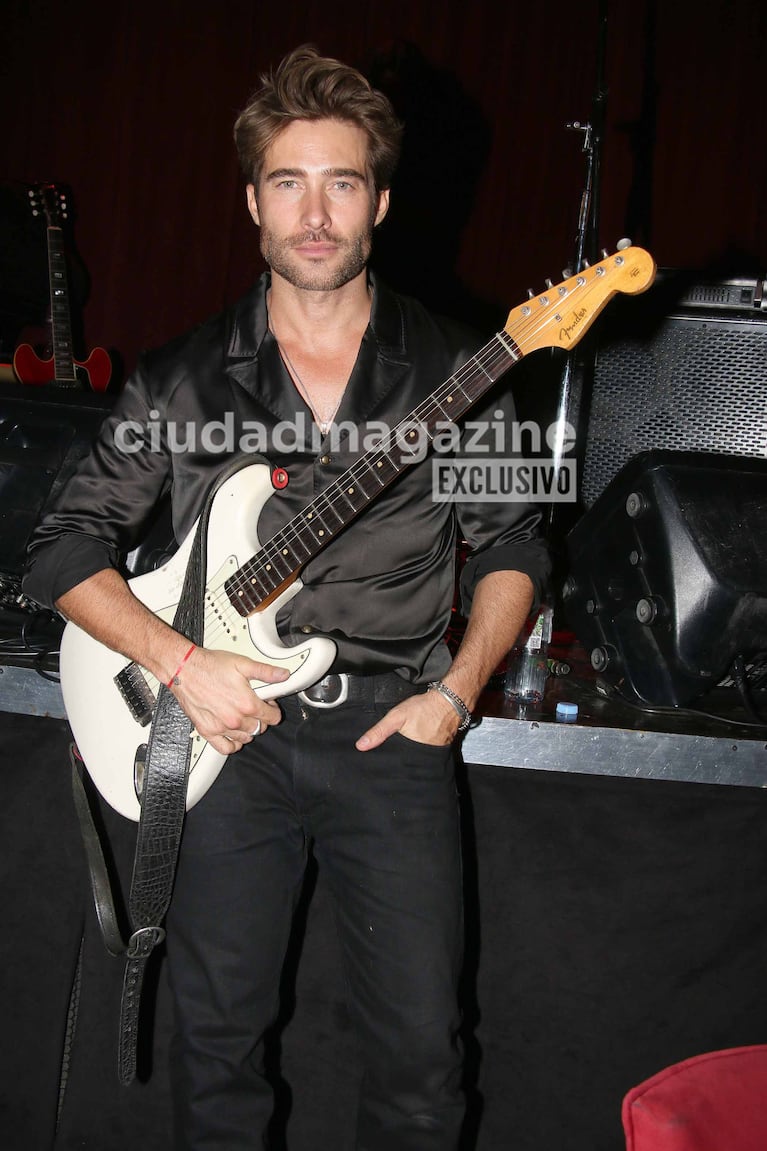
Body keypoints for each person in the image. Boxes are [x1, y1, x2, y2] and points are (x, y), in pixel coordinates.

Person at [24, 45, 550, 1151]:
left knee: (420, 1062)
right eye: (288, 182)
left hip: (392, 734)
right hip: (225, 742)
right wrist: (177, 662)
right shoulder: (182, 377)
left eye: (342, 183)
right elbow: (62, 547)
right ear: (253, 201)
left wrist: (455, 691)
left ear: (382, 202)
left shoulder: (460, 369)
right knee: (217, 1050)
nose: (315, 213)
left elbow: (514, 547)